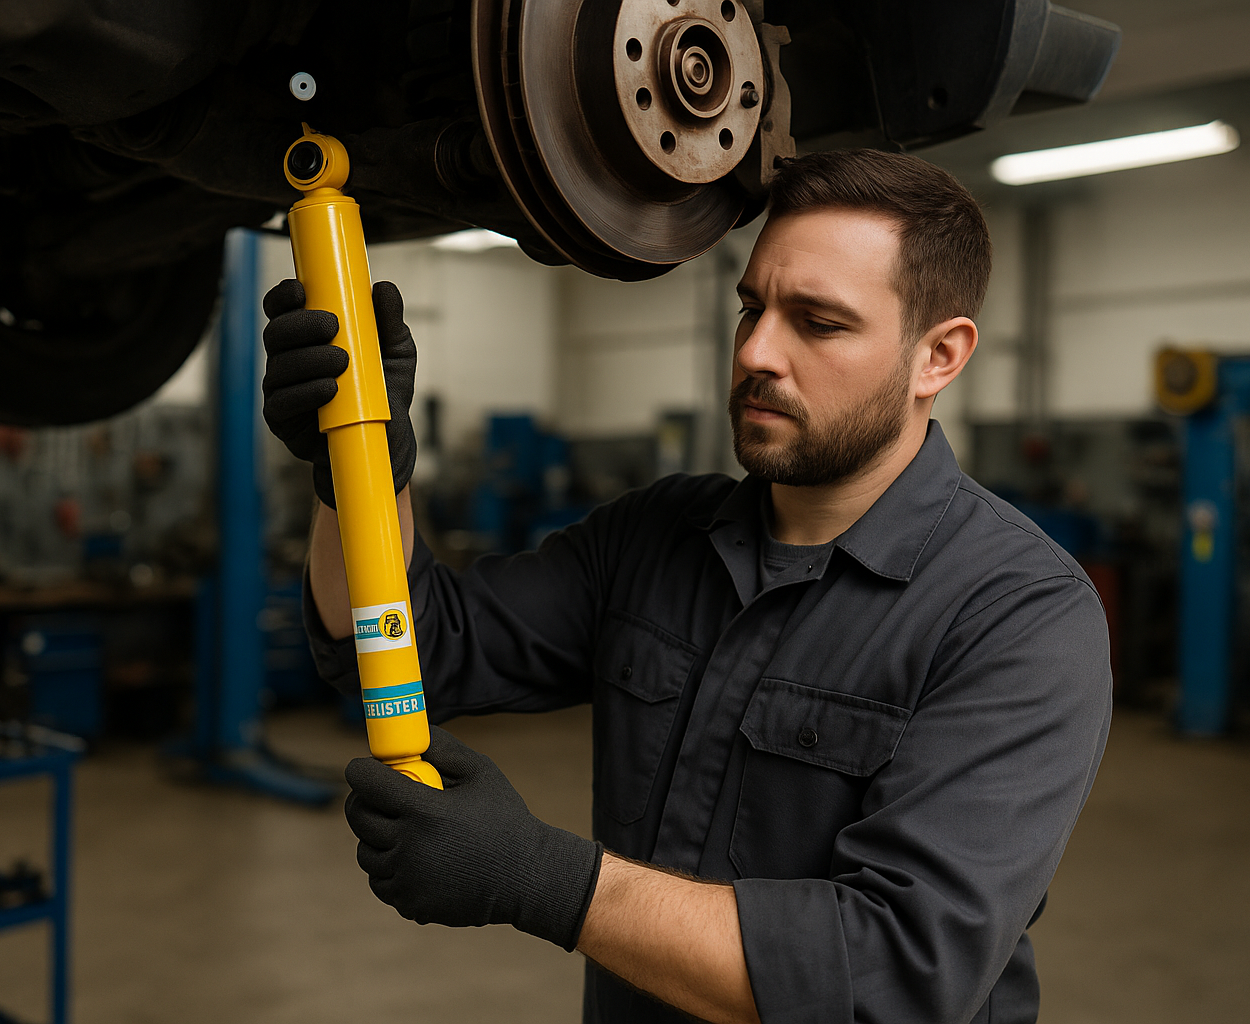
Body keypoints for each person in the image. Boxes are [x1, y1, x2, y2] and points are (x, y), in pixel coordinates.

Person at [260, 149, 1112, 1024]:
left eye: (817, 322)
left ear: (939, 355)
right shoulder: (656, 536)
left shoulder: (1019, 615)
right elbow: (409, 649)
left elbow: (896, 975)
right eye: (752, 307)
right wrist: (360, 464)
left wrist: (542, 877)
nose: (756, 352)